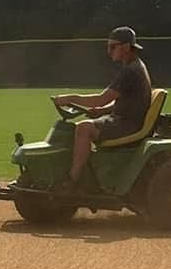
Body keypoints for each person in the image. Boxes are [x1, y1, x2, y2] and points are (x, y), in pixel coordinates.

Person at [60, 27, 152, 187]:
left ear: (125, 47)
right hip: (124, 120)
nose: (109, 51)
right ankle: (86, 174)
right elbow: (123, 100)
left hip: (127, 124)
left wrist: (69, 98)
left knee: (83, 128)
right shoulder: (134, 67)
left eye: (112, 46)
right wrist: (101, 112)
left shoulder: (131, 71)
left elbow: (100, 99)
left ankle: (72, 180)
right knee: (83, 126)